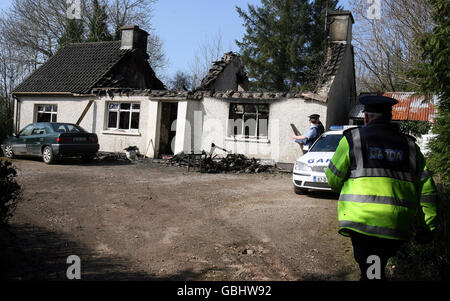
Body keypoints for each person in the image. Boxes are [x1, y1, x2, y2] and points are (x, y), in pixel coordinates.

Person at [325, 95, 437, 281]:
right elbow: (427, 190)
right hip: (396, 224)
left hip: (364, 223)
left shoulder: (354, 140)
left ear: (366, 117)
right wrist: (428, 226)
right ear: (389, 116)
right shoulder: (410, 146)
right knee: (375, 269)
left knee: (372, 274)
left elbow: (333, 179)